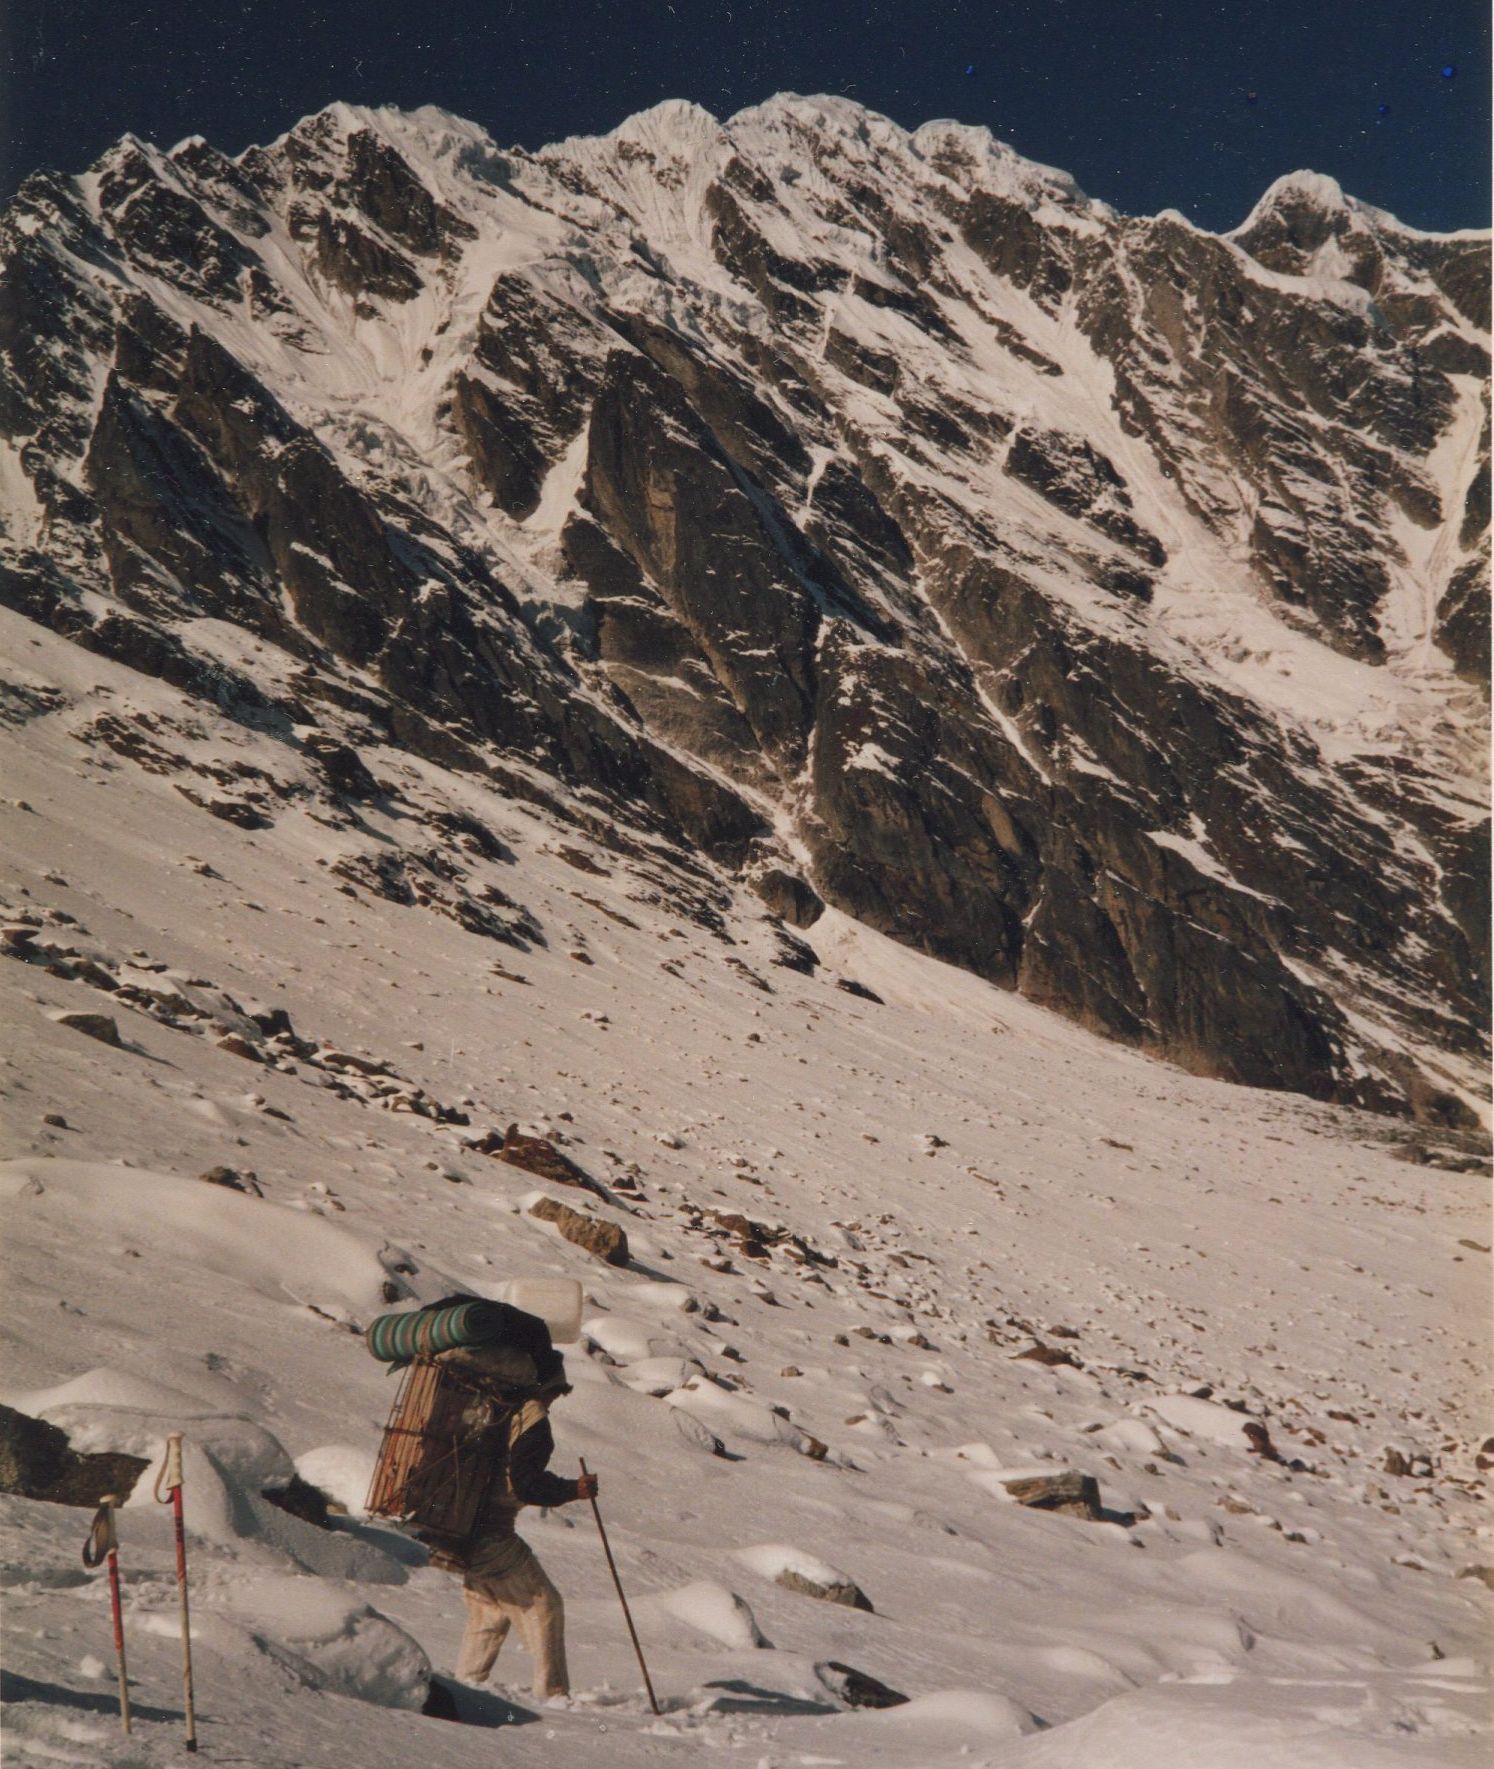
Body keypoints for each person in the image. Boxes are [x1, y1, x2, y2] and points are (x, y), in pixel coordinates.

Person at [448, 1346, 596, 1702]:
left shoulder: (497, 1409)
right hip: (491, 1534)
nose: (558, 1398)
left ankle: (465, 1689)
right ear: (550, 1387)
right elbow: (527, 1484)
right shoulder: (532, 1420)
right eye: (559, 1391)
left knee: (490, 1611)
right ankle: (554, 1695)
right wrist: (573, 1489)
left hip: (458, 1527)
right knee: (545, 1605)